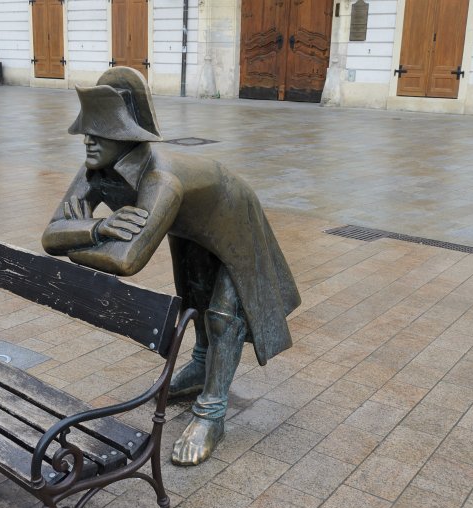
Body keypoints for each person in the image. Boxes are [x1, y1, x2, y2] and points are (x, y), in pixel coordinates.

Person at [42, 67, 301, 465]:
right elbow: (49, 236)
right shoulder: (94, 169)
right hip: (190, 224)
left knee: (223, 315)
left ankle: (211, 413)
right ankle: (200, 367)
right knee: (192, 295)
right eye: (86, 129)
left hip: (232, 212)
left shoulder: (161, 180)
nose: (87, 139)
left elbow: (127, 260)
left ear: (127, 136)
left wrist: (75, 240)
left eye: (100, 131)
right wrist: (99, 228)